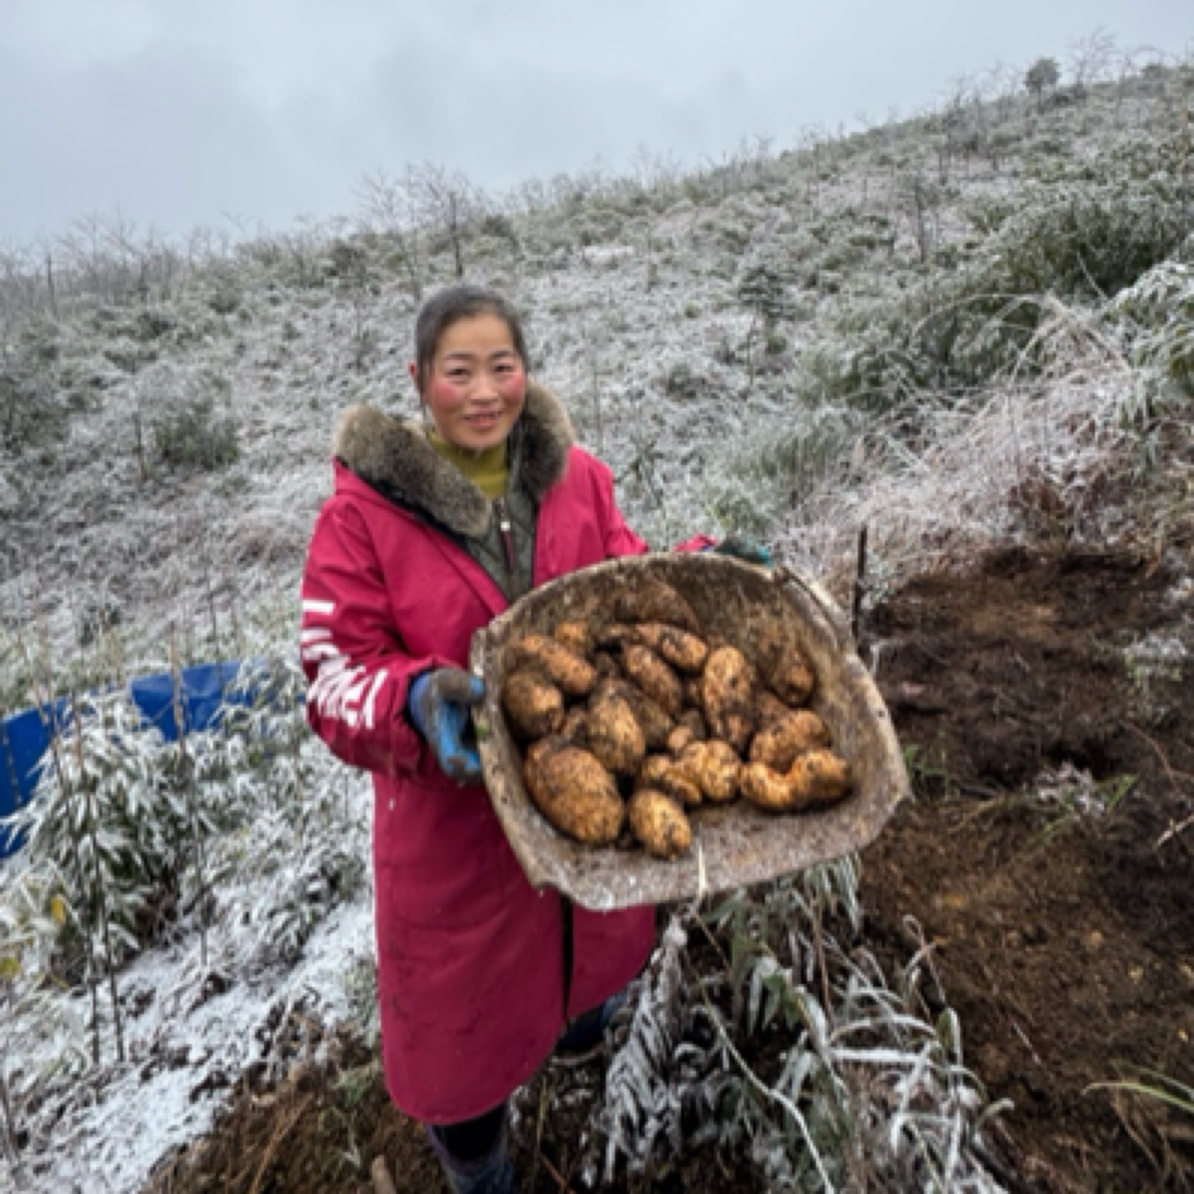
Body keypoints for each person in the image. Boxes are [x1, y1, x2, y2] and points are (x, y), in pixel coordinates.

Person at [299, 284, 671, 1194]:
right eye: (457, 371)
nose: (483, 392)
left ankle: (584, 1053)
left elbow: (628, 573)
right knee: (462, 1063)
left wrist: (703, 562)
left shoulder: (575, 476)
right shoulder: (363, 517)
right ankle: (483, 1175)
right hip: (454, 837)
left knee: (593, 963)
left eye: (501, 366)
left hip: (583, 802)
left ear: (525, 371)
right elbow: (333, 670)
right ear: (418, 379)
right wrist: (415, 696)